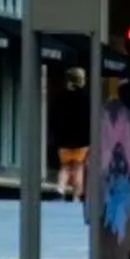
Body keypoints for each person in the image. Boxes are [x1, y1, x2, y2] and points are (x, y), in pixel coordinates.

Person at [51, 66, 91, 202]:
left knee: (65, 166)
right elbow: (89, 118)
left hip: (63, 138)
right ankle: (76, 196)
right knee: (79, 167)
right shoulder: (85, 97)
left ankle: (60, 189)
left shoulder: (59, 96)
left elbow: (54, 117)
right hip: (82, 139)